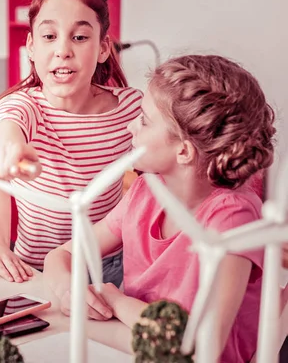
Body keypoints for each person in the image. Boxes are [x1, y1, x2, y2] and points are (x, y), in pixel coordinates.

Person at [43, 55, 275, 362]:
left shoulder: (232, 218)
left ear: (183, 150)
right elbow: (63, 254)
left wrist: (115, 299)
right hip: (136, 346)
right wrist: (69, 291)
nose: (130, 127)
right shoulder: (145, 190)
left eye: (144, 120)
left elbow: (199, 343)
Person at [0, 0, 142, 282]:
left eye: (80, 38)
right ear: (31, 46)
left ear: (103, 48)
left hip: (107, 267)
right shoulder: (21, 106)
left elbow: (158, 179)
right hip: (33, 269)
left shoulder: (132, 109)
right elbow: (7, 133)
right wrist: (10, 151)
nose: (63, 50)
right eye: (49, 36)